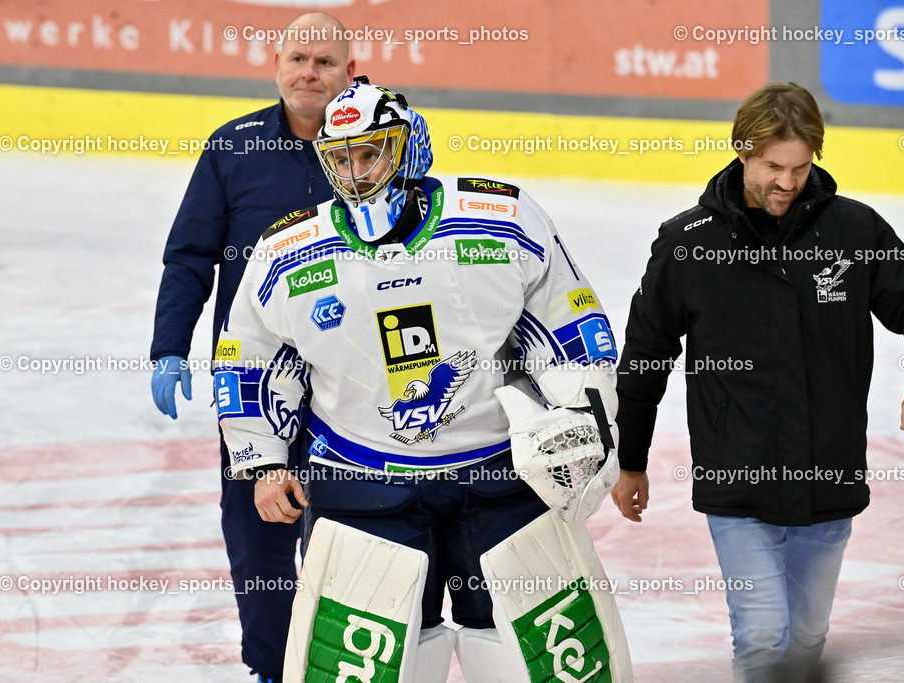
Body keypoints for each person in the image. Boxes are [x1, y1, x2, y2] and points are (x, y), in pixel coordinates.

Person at [212, 80, 624, 680]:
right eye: (340, 157)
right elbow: (244, 354)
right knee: (368, 669)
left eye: (370, 152)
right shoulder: (288, 251)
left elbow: (572, 322)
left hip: (500, 476)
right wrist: (262, 457)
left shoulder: (500, 217)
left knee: (538, 664)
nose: (355, 172)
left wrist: (580, 416)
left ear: (409, 148)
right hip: (360, 484)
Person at [610, 82, 904, 682]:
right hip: (738, 481)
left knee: (804, 641)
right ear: (742, 152)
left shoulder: (855, 231)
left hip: (829, 476)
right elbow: (646, 355)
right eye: (773, 166)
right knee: (762, 637)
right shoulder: (687, 245)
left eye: (801, 168)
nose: (787, 182)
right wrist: (632, 460)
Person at [149, 12, 354, 682]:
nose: (308, 74)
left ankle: (353, 665)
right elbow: (189, 257)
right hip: (255, 386)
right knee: (258, 536)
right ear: (276, 63)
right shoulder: (232, 148)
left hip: (357, 385)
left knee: (356, 535)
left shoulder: (378, 143)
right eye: (298, 59)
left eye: (324, 62)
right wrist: (169, 347)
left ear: (348, 70)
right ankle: (272, 669)